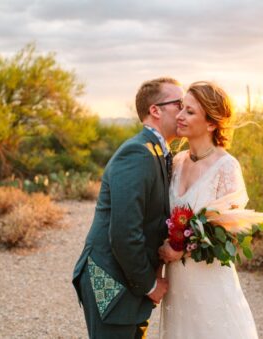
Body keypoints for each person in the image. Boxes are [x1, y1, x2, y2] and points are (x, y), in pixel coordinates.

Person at [73, 77, 183, 338]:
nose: (184, 110)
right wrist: (149, 284)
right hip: (110, 279)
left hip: (129, 280)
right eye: (179, 103)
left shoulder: (157, 151)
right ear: (155, 110)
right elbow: (124, 232)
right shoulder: (137, 153)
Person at [157, 81, 258, 338]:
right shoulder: (177, 162)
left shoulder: (226, 167)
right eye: (181, 108)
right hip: (178, 283)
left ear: (211, 123)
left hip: (210, 281)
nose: (180, 116)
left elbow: (231, 234)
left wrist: (182, 247)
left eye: (190, 112)